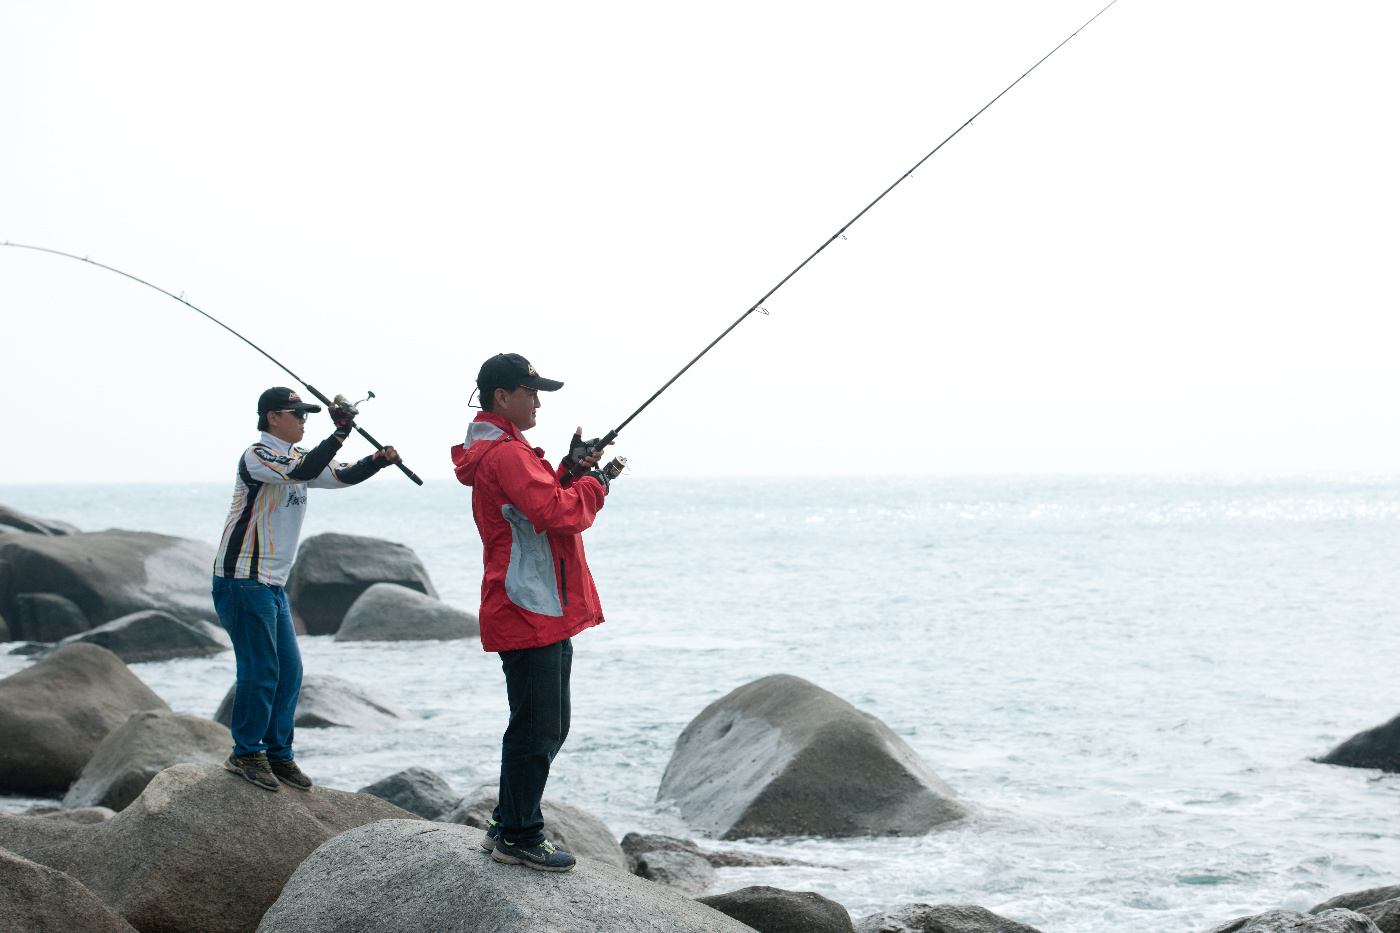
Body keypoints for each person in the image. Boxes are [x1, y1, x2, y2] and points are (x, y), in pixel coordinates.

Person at [451, 353, 613, 872]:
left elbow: (532, 502)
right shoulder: (506, 454)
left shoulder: (503, 450)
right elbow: (555, 512)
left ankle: (507, 820)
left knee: (540, 725)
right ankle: (520, 834)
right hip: (529, 606)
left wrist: (569, 469)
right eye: (532, 391)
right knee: (539, 728)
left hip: (533, 604)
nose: (539, 400)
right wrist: (595, 485)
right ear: (503, 396)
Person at [214, 386, 401, 792]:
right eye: (296, 413)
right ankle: (245, 753)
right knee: (261, 671)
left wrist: (377, 461)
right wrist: (340, 432)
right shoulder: (259, 456)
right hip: (243, 580)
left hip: (271, 586)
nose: (302, 419)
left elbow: (338, 474)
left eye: (306, 414)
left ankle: (278, 755)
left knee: (289, 673)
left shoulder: (298, 458)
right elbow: (304, 471)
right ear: (271, 417)